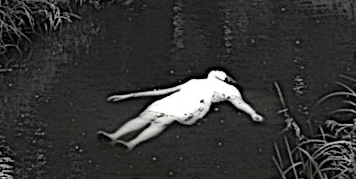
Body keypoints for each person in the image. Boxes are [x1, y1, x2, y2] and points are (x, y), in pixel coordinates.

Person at [98, 70, 264, 150]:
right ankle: (118, 137)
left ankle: (128, 142)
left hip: (193, 104)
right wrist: (130, 95)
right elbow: (164, 91)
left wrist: (252, 113)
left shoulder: (228, 88)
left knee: (156, 120)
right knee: (151, 119)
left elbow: (239, 103)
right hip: (179, 101)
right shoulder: (196, 81)